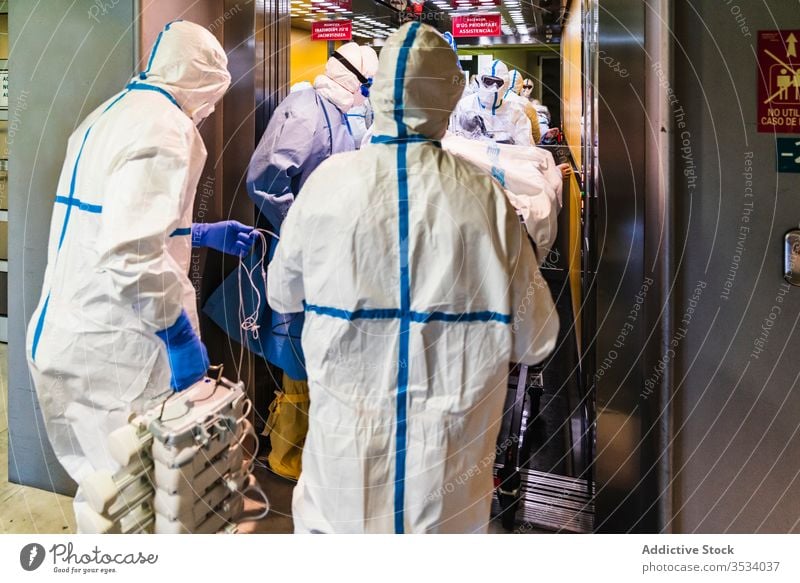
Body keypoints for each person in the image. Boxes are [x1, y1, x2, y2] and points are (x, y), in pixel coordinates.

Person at [267, 22, 559, 533]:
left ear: (376, 95)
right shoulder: (484, 196)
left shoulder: (327, 184)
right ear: (451, 97)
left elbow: (280, 293)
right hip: (445, 491)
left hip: (340, 488)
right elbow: (538, 339)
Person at [25, 21, 252, 529]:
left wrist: (197, 233)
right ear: (202, 82)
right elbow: (130, 254)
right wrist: (176, 333)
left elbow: (112, 222)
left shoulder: (107, 115)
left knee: (105, 500)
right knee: (138, 508)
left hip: (69, 332)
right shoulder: (167, 129)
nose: (212, 106)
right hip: (117, 350)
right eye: (214, 92)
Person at [204, 41, 379, 481]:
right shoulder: (305, 107)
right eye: (366, 86)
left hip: (332, 250)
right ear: (351, 81)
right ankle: (287, 455)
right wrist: (304, 223)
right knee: (298, 350)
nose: (367, 95)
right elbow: (265, 179)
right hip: (302, 247)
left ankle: (311, 450)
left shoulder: (342, 112)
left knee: (320, 347)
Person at [450, 59, 532, 146]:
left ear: (505, 85)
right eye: (488, 82)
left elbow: (526, 148)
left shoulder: (515, 111)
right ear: (480, 80)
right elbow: (456, 141)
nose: (493, 88)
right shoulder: (465, 106)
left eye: (498, 83)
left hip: (505, 158)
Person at [505, 68, 542, 144]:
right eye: (525, 86)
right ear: (521, 86)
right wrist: (537, 142)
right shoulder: (524, 103)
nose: (527, 89)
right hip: (521, 147)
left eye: (529, 87)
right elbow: (535, 129)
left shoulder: (495, 99)